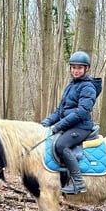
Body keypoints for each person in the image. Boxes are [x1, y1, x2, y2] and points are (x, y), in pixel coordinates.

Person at [40, 51, 101, 194]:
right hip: (69, 125)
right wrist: (47, 122)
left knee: (61, 145)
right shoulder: (71, 85)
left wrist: (59, 126)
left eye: (79, 68)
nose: (76, 70)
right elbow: (60, 111)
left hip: (81, 126)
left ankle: (79, 183)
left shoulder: (88, 87)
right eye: (73, 67)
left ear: (86, 69)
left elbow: (82, 112)